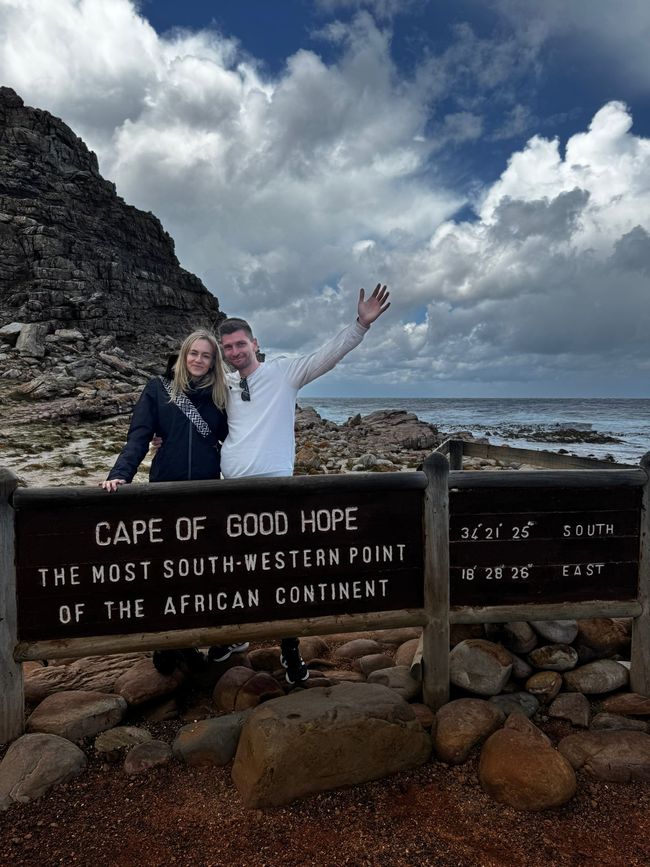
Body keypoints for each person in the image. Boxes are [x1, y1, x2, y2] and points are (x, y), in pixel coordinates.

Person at [218, 283, 390, 684]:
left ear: (254, 343)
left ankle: (290, 651)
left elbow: (324, 357)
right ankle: (229, 639)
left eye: (240, 344)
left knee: (283, 575)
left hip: (277, 493)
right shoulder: (222, 386)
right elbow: (195, 421)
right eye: (228, 348)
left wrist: (360, 326)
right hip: (229, 493)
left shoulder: (282, 372)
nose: (235, 352)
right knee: (231, 570)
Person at [101, 329, 244, 674]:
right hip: (165, 490)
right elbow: (138, 435)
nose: (198, 359)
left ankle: (209, 636)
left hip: (207, 492)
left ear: (214, 362)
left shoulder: (220, 395)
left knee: (203, 569)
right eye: (193, 353)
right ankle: (169, 645)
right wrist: (120, 473)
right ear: (183, 355)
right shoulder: (157, 389)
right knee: (167, 571)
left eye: (206, 355)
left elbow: (238, 434)